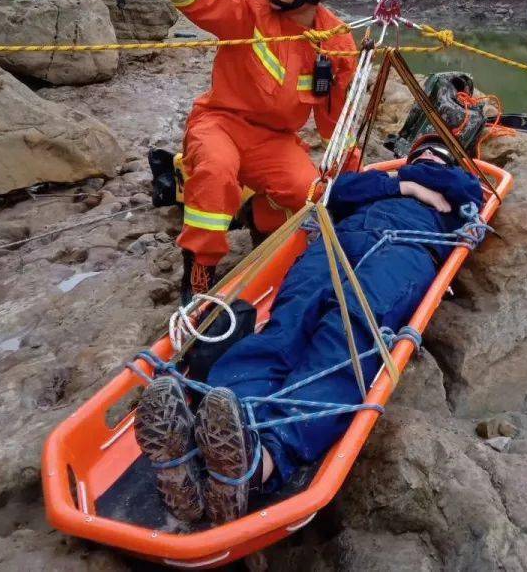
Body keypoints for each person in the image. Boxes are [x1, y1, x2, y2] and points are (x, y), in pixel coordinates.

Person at [134, 136, 484, 525]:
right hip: (338, 241)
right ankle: (212, 438)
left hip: (405, 248)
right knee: (287, 323)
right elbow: (337, 193)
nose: (430, 155)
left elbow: (465, 190)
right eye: (422, 153)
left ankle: (262, 463)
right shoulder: (389, 181)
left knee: (348, 333)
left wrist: (411, 179)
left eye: (439, 154)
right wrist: (408, 186)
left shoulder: (460, 184)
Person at [141, 0, 358, 302]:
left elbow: (337, 125)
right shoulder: (248, 7)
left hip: (274, 140)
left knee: (308, 192)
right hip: (219, 123)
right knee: (215, 171)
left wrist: (351, 186)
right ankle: (199, 271)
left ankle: (261, 223)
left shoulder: (336, 43)